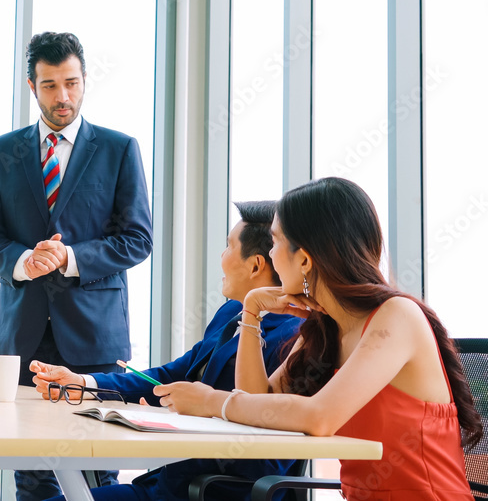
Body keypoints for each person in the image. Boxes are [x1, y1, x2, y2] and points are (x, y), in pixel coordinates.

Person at [155, 177, 482, 501]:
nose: (271, 253)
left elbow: (320, 417)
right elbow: (259, 401)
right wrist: (252, 310)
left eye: (275, 241)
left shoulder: (397, 317)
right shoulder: (325, 328)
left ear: (304, 259)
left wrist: (212, 401)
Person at [0, 31, 153, 501]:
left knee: (97, 477)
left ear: (85, 80)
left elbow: (138, 239)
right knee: (30, 476)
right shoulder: (1, 152)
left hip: (94, 339)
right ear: (32, 87)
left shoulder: (118, 149)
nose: (63, 96)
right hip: (23, 338)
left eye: (71, 82)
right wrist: (24, 262)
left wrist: (70, 257)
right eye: (50, 85)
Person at [31, 201, 304, 501]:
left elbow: (269, 454)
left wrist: (191, 420)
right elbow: (170, 376)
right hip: (169, 482)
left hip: (207, 492)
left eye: (228, 246)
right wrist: (84, 382)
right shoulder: (230, 315)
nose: (221, 256)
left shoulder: (292, 337)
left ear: (255, 265)